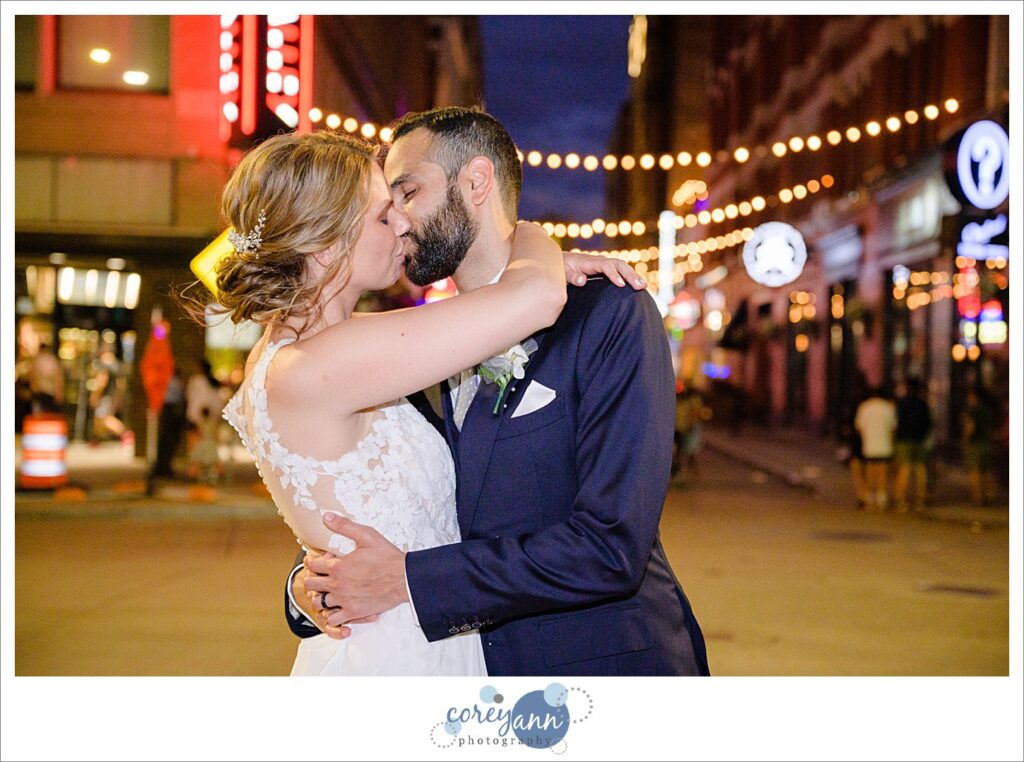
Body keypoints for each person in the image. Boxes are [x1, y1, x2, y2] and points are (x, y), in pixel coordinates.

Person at [287, 107, 709, 676]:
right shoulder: (412, 349)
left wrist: (409, 579)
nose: (399, 222)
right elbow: (380, 496)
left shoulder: (609, 313)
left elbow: (611, 547)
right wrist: (311, 582)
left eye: (408, 193)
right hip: (460, 681)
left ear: (476, 182)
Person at [209, 126, 646, 676]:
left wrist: (309, 583)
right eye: (381, 215)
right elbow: (534, 297)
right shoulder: (324, 362)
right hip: (399, 656)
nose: (403, 225)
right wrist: (532, 238)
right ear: (324, 246)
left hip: (420, 635)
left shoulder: (315, 351)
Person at [854, 386, 897, 512]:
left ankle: (871, 499)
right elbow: (893, 427)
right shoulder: (888, 408)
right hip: (884, 445)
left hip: (869, 445)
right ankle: (881, 498)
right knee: (882, 473)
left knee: (870, 472)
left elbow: (859, 427)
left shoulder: (864, 407)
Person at [893, 377, 931, 512]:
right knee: (921, 469)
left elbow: (896, 423)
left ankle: (900, 499)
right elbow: (928, 423)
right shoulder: (923, 404)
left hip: (904, 440)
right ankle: (920, 500)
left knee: (905, 468)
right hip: (920, 440)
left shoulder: (902, 404)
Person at [962, 387, 996, 505]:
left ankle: (977, 496)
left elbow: (970, 428)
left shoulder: (973, 411)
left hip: (975, 443)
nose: (968, 399)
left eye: (970, 396)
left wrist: (966, 439)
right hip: (986, 443)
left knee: (974, 471)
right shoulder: (988, 410)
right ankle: (989, 494)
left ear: (975, 397)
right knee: (985, 470)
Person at [28, 337, 65, 415]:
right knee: (50, 416)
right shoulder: (51, 360)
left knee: (39, 415)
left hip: (40, 392)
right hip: (49, 392)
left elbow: (32, 378)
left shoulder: (36, 360)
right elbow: (58, 377)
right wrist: (59, 393)